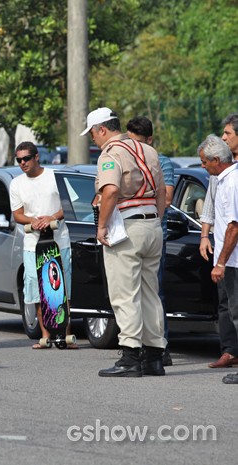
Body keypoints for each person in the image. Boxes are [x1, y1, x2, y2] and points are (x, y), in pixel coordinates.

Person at [81, 107, 167, 377]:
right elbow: (163, 192)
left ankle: (130, 356)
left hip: (127, 226)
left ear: (102, 129)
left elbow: (110, 190)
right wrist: (154, 219)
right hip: (152, 223)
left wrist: (103, 225)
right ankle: (154, 357)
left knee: (124, 293)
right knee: (149, 293)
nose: (93, 140)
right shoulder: (148, 150)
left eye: (93, 134)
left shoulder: (111, 152)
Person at [8, 141, 77, 350]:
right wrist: (33, 222)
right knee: (38, 290)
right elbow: (18, 214)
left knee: (61, 289)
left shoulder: (55, 177)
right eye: (19, 160)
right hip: (32, 245)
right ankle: (45, 334)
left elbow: (70, 205)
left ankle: (65, 333)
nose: (22, 163)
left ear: (37, 157)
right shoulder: (16, 183)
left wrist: (52, 217)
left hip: (59, 241)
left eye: (26, 159)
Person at [126, 116, 174, 366]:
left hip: (156, 232)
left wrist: (152, 219)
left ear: (150, 140)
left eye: (139, 141)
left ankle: (158, 347)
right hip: (135, 231)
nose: (134, 146)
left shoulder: (160, 161)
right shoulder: (128, 158)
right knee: (135, 292)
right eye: (130, 140)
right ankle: (143, 347)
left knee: (154, 292)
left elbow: (166, 198)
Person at [197, 135, 238, 385]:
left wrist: (221, 262)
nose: (202, 166)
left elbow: (234, 226)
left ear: (216, 160)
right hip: (230, 260)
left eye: (204, 162)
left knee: (237, 314)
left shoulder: (232, 182)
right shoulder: (223, 180)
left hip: (234, 261)